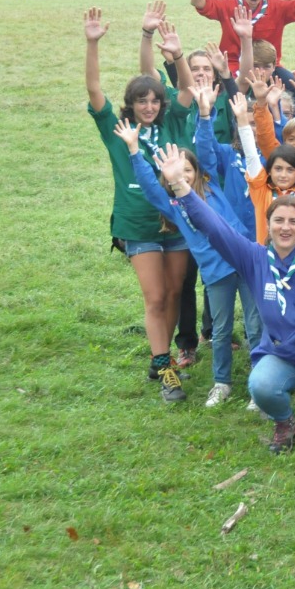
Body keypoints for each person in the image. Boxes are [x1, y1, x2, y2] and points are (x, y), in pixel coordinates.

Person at [156, 128, 295, 452]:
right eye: (278, 220)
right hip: (287, 354)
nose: (285, 227)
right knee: (261, 384)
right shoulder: (253, 258)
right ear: (268, 224)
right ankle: (285, 421)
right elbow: (215, 227)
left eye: (294, 221)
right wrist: (181, 186)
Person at [117, 96, 264, 408]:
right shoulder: (174, 206)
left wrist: (206, 114)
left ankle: (258, 384)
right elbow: (148, 184)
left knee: (255, 326)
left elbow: (207, 149)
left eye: (187, 170)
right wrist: (133, 150)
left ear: (199, 172)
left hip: (246, 261)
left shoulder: (212, 187)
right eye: (175, 172)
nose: (182, 176)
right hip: (216, 273)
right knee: (221, 331)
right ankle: (222, 383)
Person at [82, 7, 199, 399]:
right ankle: (165, 367)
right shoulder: (117, 131)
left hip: (177, 223)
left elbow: (184, 89)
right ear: (130, 106)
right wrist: (92, 43)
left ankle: (160, 354)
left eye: (154, 101)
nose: (148, 106)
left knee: (174, 291)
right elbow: (95, 90)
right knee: (154, 296)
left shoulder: (172, 122)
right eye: (141, 102)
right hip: (137, 225)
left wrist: (178, 56)